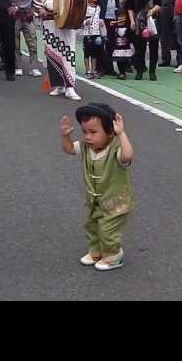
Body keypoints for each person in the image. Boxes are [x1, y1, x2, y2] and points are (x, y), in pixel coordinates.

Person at [60, 103, 135, 271]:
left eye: (93, 132)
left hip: (115, 202)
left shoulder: (116, 149)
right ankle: (96, 251)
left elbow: (128, 155)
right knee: (91, 225)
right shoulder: (87, 147)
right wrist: (65, 136)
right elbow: (69, 149)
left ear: (109, 132)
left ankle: (114, 256)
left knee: (108, 230)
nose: (88, 137)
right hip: (94, 200)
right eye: (85, 131)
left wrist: (121, 133)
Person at [32, 0, 81, 100]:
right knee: (52, 54)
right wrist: (40, 10)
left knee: (68, 52)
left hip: (66, 20)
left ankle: (70, 86)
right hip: (49, 21)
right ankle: (58, 85)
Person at [125, 0, 161, 81]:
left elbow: (159, 4)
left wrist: (152, 11)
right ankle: (139, 71)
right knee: (140, 48)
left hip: (152, 22)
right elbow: (129, 8)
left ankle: (152, 72)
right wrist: (131, 21)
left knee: (154, 47)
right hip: (138, 22)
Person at [12, 0, 41, 77]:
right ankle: (18, 66)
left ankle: (34, 67)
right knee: (15, 43)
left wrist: (33, 11)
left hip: (27, 17)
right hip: (15, 17)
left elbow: (36, 1)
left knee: (32, 42)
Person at [94, 0, 120, 76]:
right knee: (100, 43)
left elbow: (117, 0)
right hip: (101, 18)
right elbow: (94, 1)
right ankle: (99, 68)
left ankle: (109, 68)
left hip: (113, 18)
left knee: (111, 43)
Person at [158, 0, 179, 67]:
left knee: (178, 35)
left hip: (177, 10)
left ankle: (180, 59)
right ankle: (166, 59)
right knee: (164, 35)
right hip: (164, 10)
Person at [81, 0, 104, 79]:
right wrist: (85, 22)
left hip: (96, 33)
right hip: (87, 33)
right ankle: (87, 71)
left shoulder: (99, 7)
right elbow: (81, 20)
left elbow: (100, 18)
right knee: (87, 52)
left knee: (95, 53)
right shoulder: (85, 6)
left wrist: (101, 22)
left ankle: (94, 70)